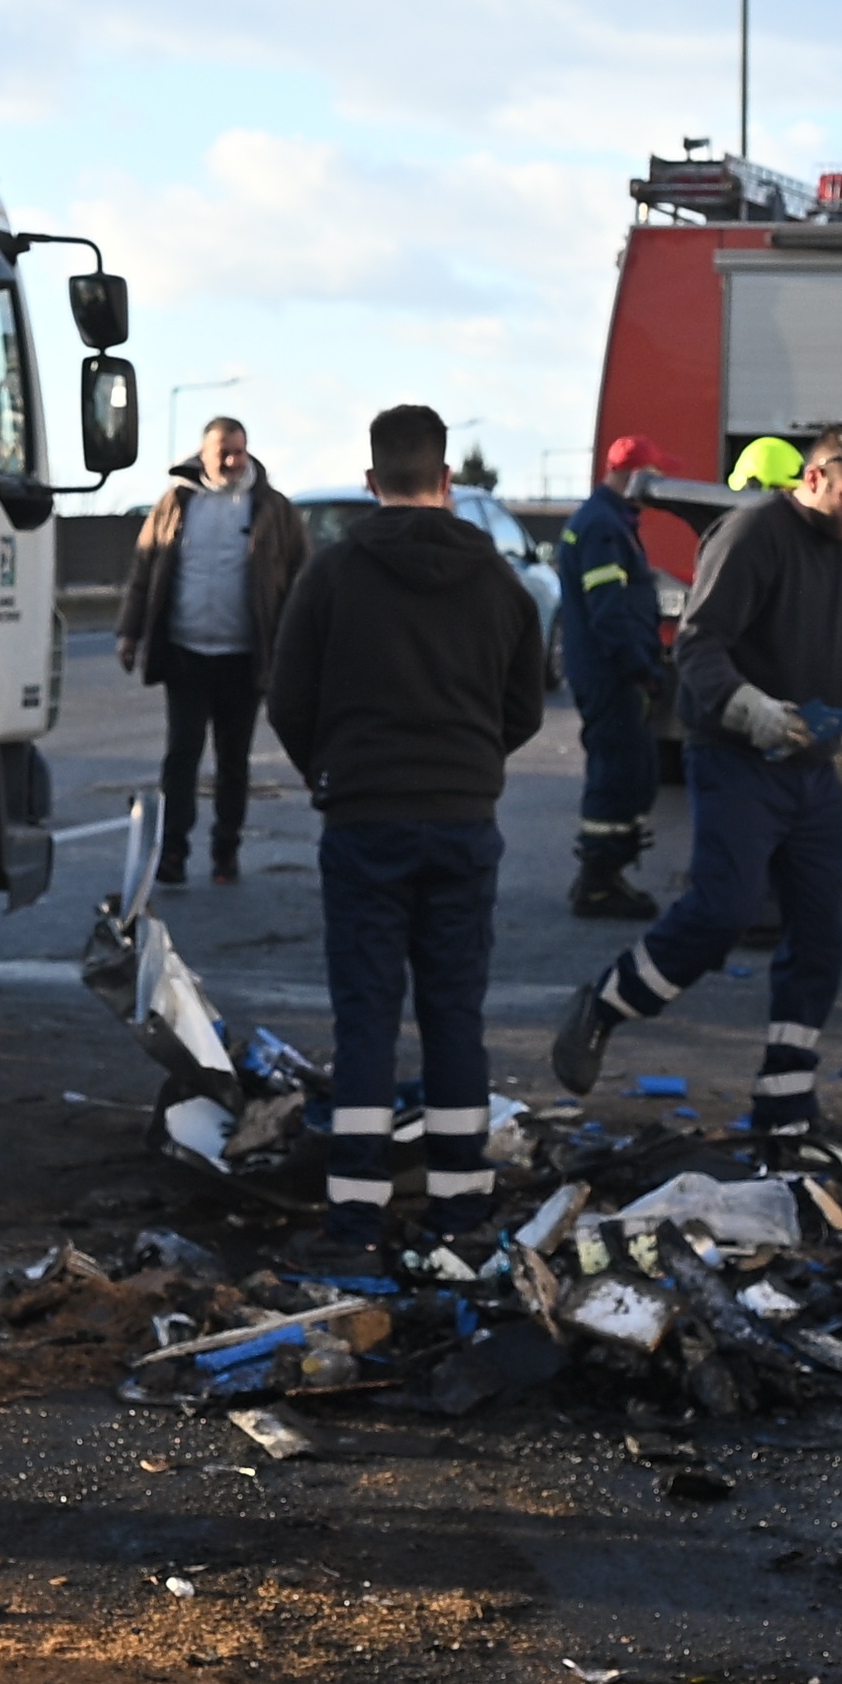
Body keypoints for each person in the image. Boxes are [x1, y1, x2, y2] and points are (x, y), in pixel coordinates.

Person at [545, 419, 842, 1159]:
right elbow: (703, 645)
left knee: (820, 935)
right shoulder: (751, 538)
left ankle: (785, 1107)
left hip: (809, 769)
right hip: (737, 758)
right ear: (814, 480)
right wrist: (750, 708)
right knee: (725, 909)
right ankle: (604, 1005)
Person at [266, 403, 550, 1225]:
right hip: (463, 822)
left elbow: (290, 701)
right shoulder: (500, 580)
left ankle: (357, 1204)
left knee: (366, 1015)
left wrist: (335, 772)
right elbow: (523, 706)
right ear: (448, 481)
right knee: (454, 1010)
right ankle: (460, 1202)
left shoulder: (331, 575)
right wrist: (472, 765)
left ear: (371, 482)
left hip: (363, 822)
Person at [112, 413, 304, 887]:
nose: (234, 461)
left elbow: (302, 579)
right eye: (225, 453)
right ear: (204, 455)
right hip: (186, 652)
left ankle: (225, 851)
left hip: (244, 657)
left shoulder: (273, 509)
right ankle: (173, 852)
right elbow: (143, 570)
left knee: (233, 760)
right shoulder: (175, 504)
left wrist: (298, 648)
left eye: (240, 451)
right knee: (181, 754)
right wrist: (129, 633)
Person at [552, 437, 671, 919]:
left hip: (604, 670)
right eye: (654, 476)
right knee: (617, 771)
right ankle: (599, 882)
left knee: (627, 767)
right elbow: (609, 610)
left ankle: (605, 874)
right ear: (633, 475)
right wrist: (641, 666)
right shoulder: (604, 526)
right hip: (611, 673)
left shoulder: (602, 520)